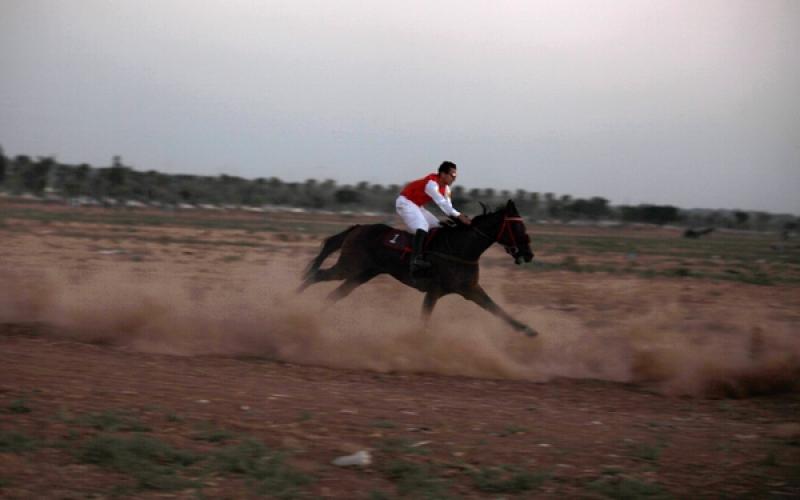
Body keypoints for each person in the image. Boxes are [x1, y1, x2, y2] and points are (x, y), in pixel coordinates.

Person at [396, 161, 471, 273]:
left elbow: (448, 207)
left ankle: (431, 255)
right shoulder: (431, 184)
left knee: (437, 226)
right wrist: (459, 215)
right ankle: (415, 260)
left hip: (417, 206)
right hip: (405, 203)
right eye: (452, 175)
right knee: (422, 226)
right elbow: (442, 203)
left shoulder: (446, 189)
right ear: (442, 174)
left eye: (455, 176)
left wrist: (457, 219)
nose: (454, 179)